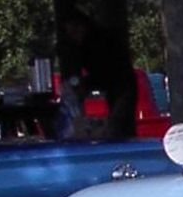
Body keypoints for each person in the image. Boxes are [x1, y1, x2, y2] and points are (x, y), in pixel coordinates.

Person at [57, 10, 137, 140]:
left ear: (82, 27)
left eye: (74, 32)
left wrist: (86, 83)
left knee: (118, 124)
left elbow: (105, 72)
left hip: (121, 84)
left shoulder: (99, 42)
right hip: (113, 86)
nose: (73, 37)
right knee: (117, 123)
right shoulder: (85, 46)